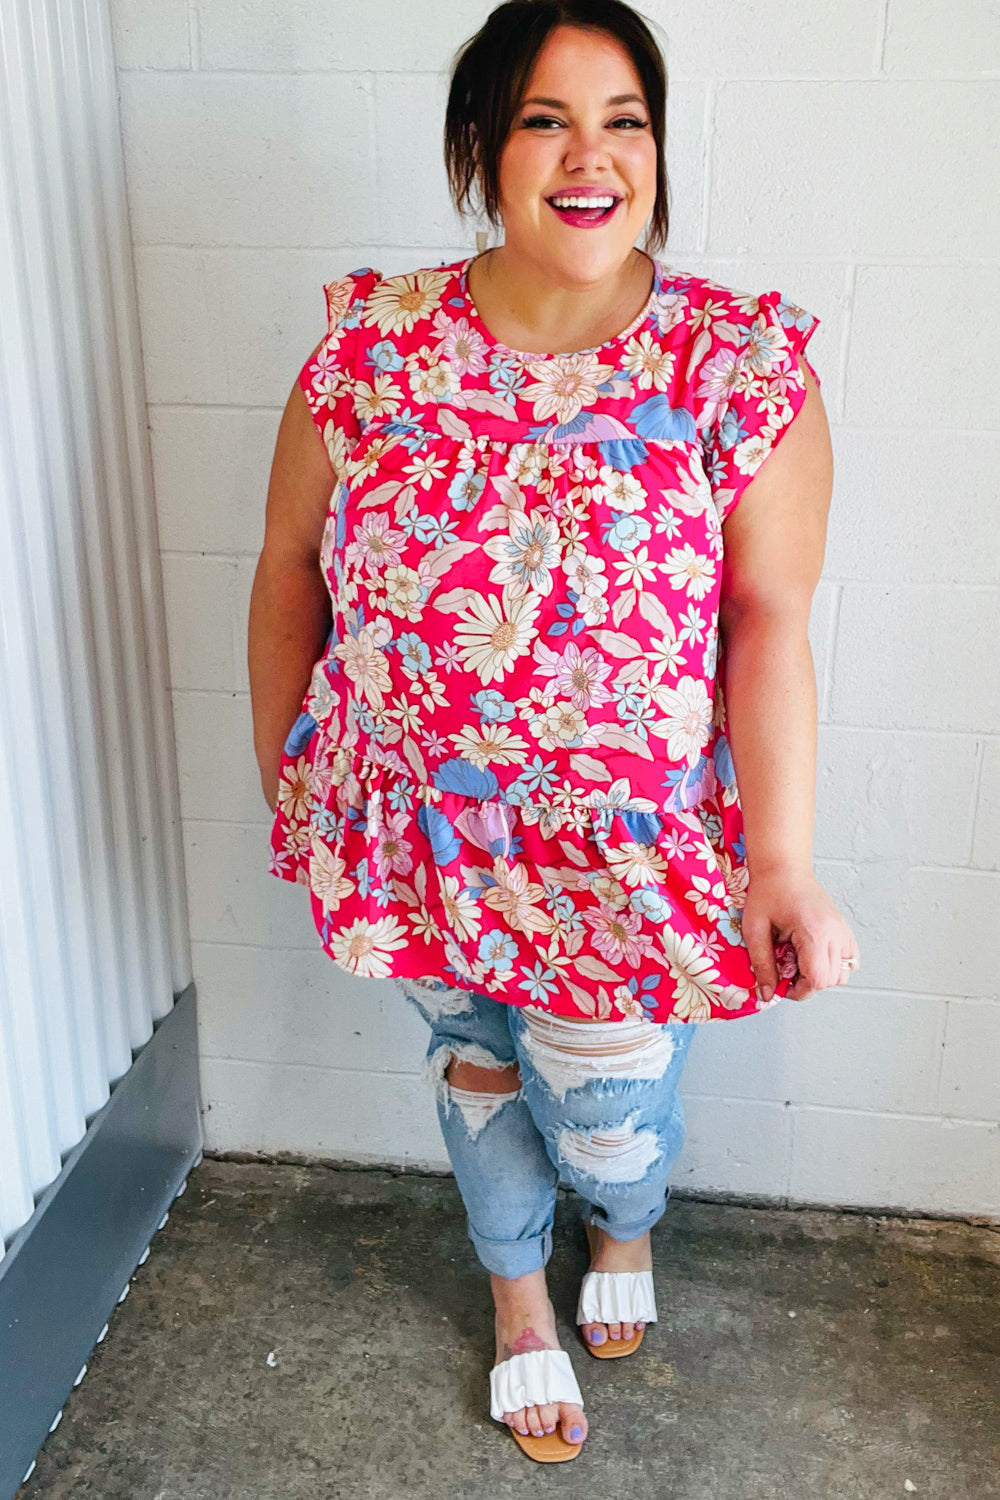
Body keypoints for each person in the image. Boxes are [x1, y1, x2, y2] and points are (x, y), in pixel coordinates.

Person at [248, 0, 860, 1464]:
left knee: (607, 1116)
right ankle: (517, 1294)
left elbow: (768, 624)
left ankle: (623, 1224)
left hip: (622, 867)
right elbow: (285, 572)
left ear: (657, 147)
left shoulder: (735, 370)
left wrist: (783, 864)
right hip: (414, 840)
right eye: (545, 121)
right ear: (482, 148)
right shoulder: (371, 351)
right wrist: (292, 786)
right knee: (474, 1070)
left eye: (622, 122)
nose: (591, 157)